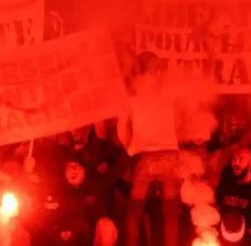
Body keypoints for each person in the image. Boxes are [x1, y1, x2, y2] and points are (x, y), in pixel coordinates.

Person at [117, 51, 181, 246]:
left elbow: (121, 130)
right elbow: (178, 122)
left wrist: (130, 149)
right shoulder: (170, 93)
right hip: (170, 155)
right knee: (170, 211)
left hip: (145, 158)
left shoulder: (131, 98)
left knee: (135, 210)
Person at [59, 159, 117, 246]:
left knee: (106, 225)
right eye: (70, 167)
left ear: (83, 170)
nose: (73, 171)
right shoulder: (61, 194)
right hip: (72, 237)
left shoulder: (95, 185)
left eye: (75, 167)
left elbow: (114, 173)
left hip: (94, 237)